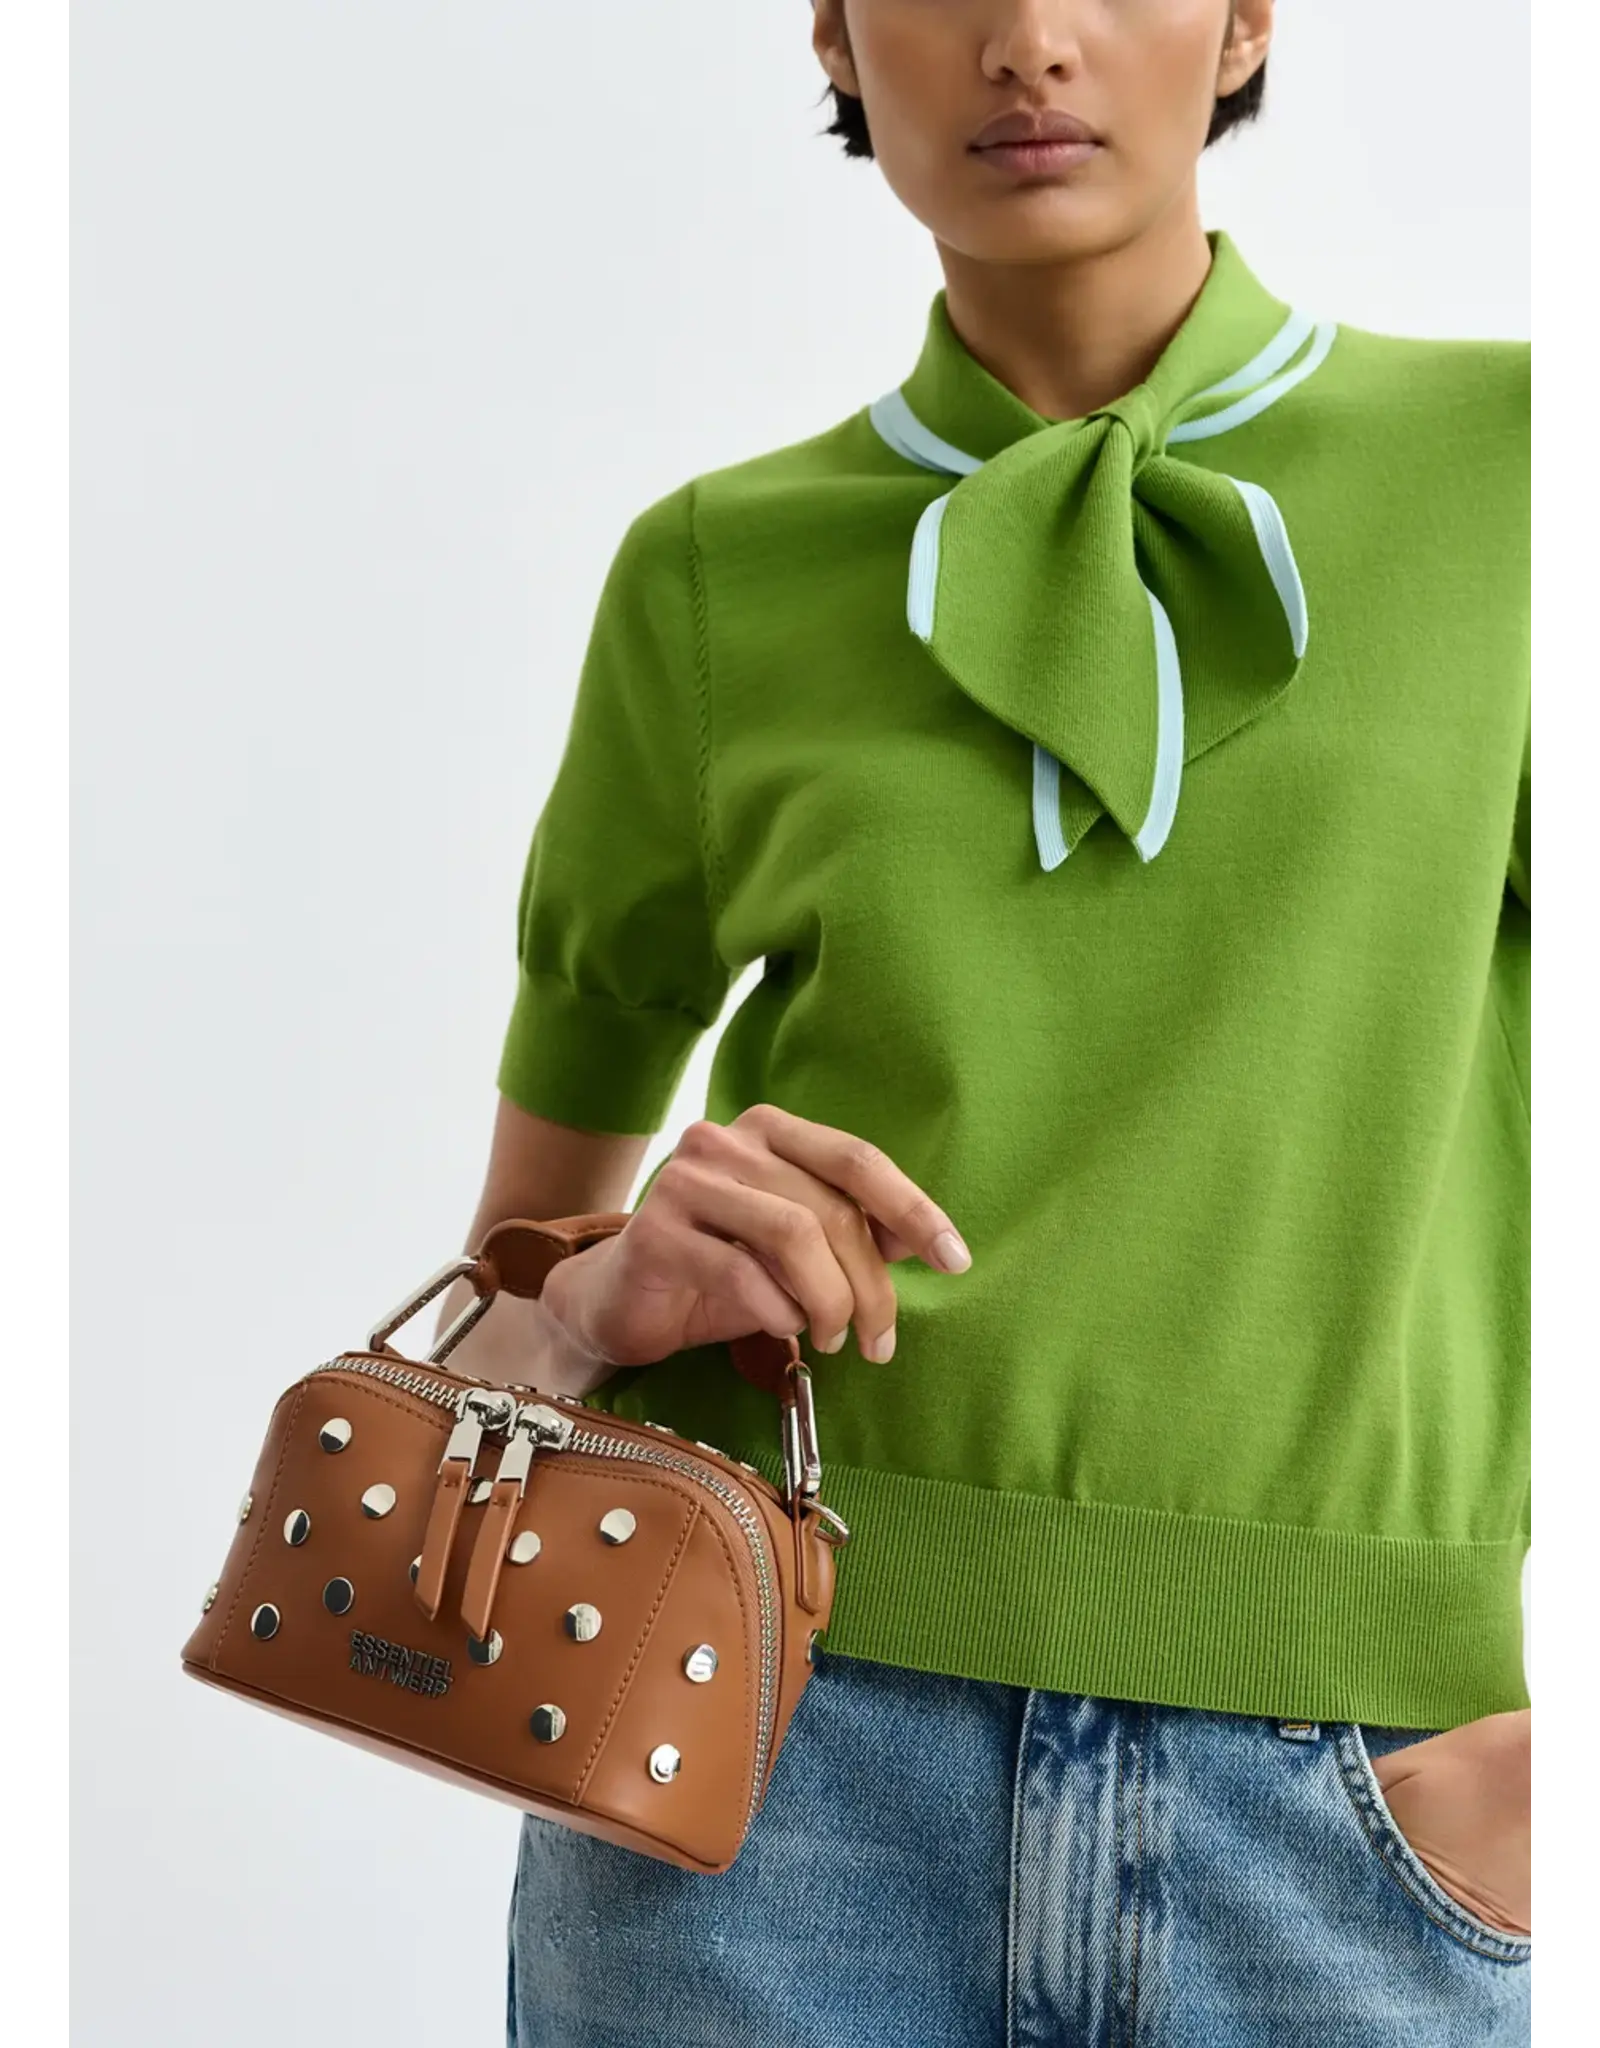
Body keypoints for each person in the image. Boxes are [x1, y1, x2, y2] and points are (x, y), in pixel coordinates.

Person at [439, 3, 1534, 2041]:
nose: (1027, 40)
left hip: (1355, 1821)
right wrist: (595, 1294)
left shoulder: (1505, 480)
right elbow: (488, 1342)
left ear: (1243, 18)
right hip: (754, 1796)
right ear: (839, 37)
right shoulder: (709, 577)